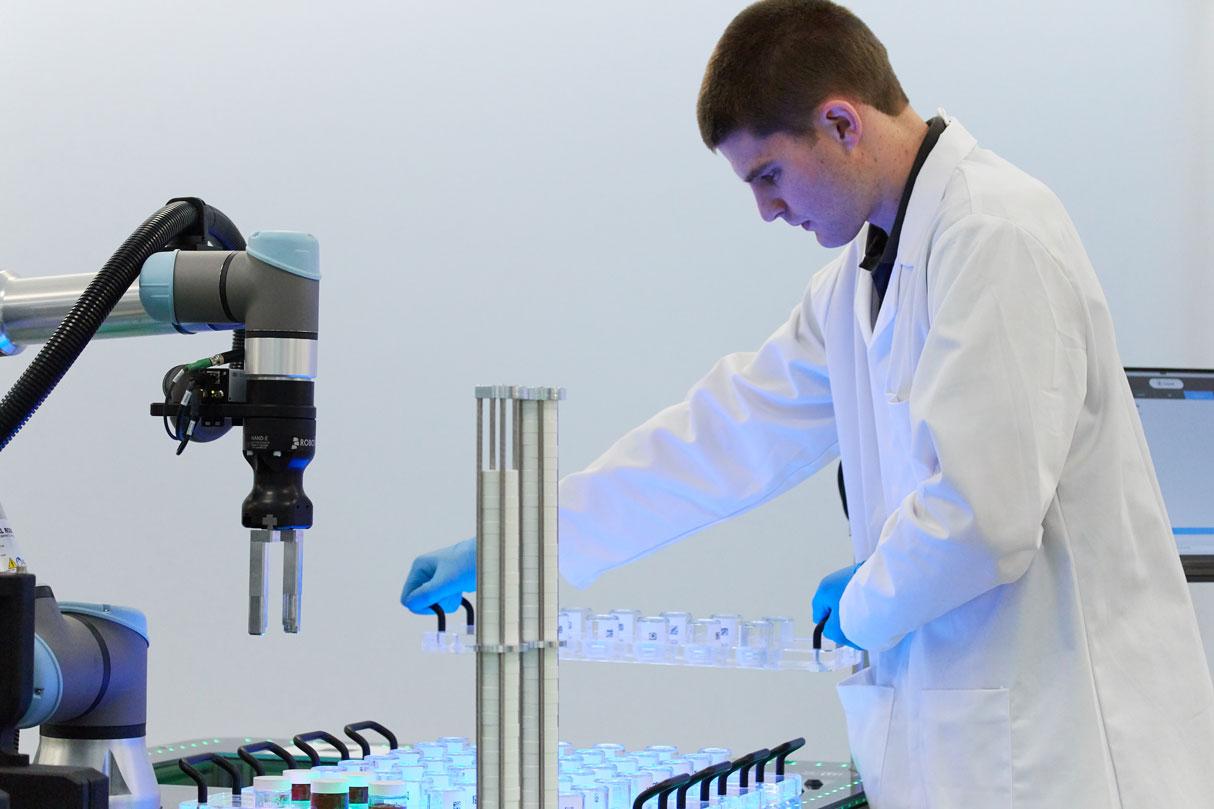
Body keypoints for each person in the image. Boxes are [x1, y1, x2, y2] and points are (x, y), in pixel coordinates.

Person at [401, 1, 1214, 806]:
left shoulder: (997, 233)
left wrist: (861, 604)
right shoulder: (858, 281)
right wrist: (520, 539)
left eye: (769, 175)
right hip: (973, 757)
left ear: (841, 123)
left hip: (1067, 762)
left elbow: (984, 516)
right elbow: (722, 434)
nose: (765, 209)